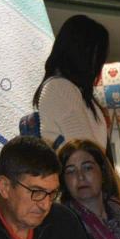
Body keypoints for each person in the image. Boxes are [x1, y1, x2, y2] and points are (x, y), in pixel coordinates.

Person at [34, 14, 109, 150]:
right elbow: (83, 150)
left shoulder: (69, 89)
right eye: (95, 55)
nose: (97, 63)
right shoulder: (60, 88)